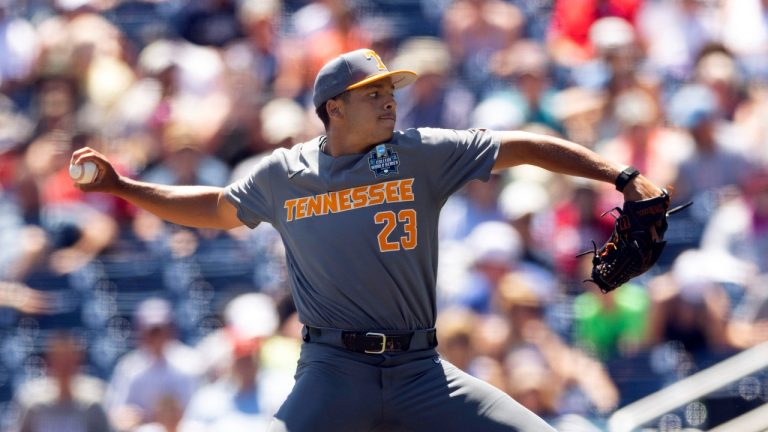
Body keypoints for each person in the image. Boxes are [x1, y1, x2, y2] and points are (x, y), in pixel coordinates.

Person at [72, 47, 664, 431]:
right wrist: (124, 186)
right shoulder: (284, 174)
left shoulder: (420, 154)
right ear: (334, 108)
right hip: (334, 372)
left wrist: (621, 175)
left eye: (390, 90)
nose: (389, 100)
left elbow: (525, 144)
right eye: (373, 93)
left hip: (421, 369)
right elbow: (216, 208)